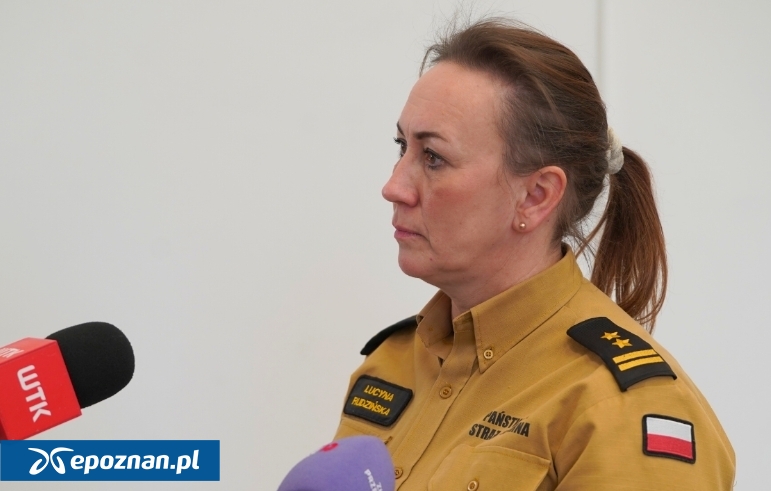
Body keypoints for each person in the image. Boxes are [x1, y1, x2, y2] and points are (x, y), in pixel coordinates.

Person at [333, 18, 735, 490]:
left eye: (433, 158)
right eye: (402, 146)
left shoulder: (621, 407)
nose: (394, 186)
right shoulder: (393, 363)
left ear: (536, 196)